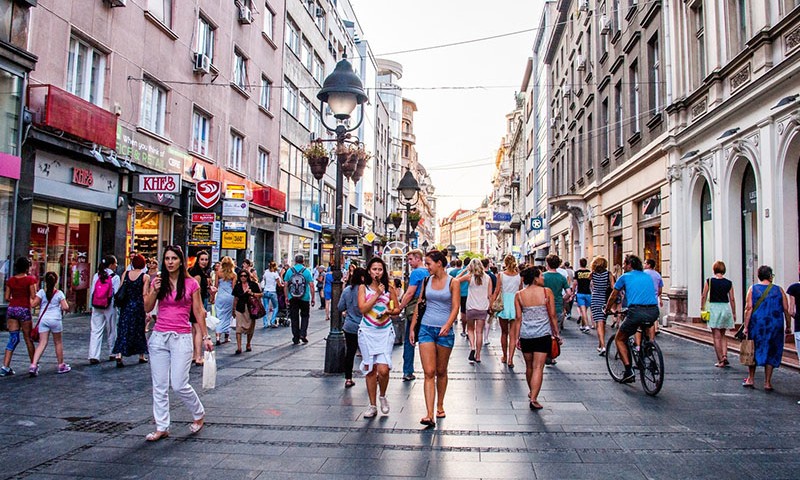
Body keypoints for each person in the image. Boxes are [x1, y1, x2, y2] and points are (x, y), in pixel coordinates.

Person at [143, 246, 213, 441]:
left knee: (179, 384)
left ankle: (198, 413)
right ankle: (162, 426)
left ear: (181, 261)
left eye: (174, 258)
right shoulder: (158, 281)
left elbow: (199, 311)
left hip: (181, 338)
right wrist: (155, 291)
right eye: (167, 258)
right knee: (159, 385)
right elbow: (147, 307)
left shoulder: (191, 284)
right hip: (159, 337)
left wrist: (206, 337)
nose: (170, 262)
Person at [409, 250, 459, 428]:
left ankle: (440, 405)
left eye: (429, 263)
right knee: (429, 372)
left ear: (439, 263)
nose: (427, 266)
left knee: (441, 371)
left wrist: (448, 324)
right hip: (426, 329)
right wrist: (413, 327)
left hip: (444, 331)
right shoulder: (426, 281)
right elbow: (420, 304)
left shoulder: (453, 282)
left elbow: (455, 307)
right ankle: (429, 414)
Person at [604, 255, 660, 384]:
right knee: (644, 326)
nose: (623, 266)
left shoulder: (624, 277)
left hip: (636, 311)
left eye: (624, 264)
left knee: (620, 338)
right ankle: (647, 349)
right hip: (653, 311)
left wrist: (607, 309)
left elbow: (613, 295)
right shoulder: (647, 276)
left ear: (629, 265)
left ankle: (628, 371)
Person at [357, 257, 400, 418]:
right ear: (369, 271)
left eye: (380, 269)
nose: (377, 272)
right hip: (367, 331)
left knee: (383, 369)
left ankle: (382, 395)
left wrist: (388, 312)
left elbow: (396, 309)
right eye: (374, 269)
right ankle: (372, 405)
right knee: (370, 369)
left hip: (384, 331)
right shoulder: (364, 288)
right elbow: (363, 308)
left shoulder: (389, 288)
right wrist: (377, 295)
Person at [516, 267, 559, 410]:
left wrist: (516, 337)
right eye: (541, 275)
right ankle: (534, 397)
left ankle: (531, 391)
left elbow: (518, 318)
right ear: (535, 277)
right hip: (542, 334)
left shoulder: (519, 295)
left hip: (526, 335)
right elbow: (552, 315)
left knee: (529, 367)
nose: (543, 278)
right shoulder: (547, 292)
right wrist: (556, 333)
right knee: (538, 367)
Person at [742, 265, 791, 391]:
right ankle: (767, 382)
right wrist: (788, 325)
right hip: (775, 325)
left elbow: (749, 308)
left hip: (757, 324)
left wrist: (746, 326)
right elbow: (786, 309)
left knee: (753, 349)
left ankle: (751, 378)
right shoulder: (779, 290)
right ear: (770, 276)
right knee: (772, 350)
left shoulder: (752, 289)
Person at [29, 272, 71, 376]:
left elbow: (33, 304)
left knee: (42, 343)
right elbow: (65, 307)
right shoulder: (59, 293)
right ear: (56, 281)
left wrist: (29, 297)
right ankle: (61, 365)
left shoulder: (42, 292)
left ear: (45, 281)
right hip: (55, 319)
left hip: (44, 320)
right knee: (58, 342)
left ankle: (33, 365)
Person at [1, 257, 37, 376]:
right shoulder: (30, 280)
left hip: (12, 309)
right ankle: (33, 365)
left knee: (13, 338)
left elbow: (6, 297)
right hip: (24, 309)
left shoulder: (11, 280)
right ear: (27, 267)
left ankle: (5, 366)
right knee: (28, 338)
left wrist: (14, 300)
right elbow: (33, 296)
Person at [397, 249, 429, 381]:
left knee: (409, 341)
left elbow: (410, 293)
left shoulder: (416, 273)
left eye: (410, 259)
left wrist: (399, 307)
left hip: (413, 309)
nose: (409, 262)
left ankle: (408, 371)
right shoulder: (428, 271)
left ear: (418, 258)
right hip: (427, 309)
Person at [112, 254, 149, 367]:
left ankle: (119, 354)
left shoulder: (126, 274)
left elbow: (121, 288)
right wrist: (147, 310)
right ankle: (141, 355)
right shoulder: (145, 277)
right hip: (138, 306)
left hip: (126, 305)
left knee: (123, 329)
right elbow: (144, 294)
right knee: (139, 330)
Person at [700, 261, 736, 368]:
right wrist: (734, 312)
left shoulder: (709, 281)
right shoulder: (729, 283)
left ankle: (720, 360)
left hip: (714, 308)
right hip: (725, 308)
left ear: (714, 269)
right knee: (723, 334)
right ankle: (725, 356)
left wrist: (702, 307)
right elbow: (732, 299)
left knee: (716, 336)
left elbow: (704, 295)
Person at [457, 259, 491, 364]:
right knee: (479, 332)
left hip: (471, 307)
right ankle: (478, 355)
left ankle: (472, 347)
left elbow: (455, 280)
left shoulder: (469, 276)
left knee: (470, 330)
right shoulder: (488, 278)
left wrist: (464, 271)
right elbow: (490, 295)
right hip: (482, 307)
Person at [88, 255, 120, 365]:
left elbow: (93, 291)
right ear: (111, 264)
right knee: (111, 329)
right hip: (109, 305)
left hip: (97, 305)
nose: (116, 265)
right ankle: (112, 352)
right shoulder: (115, 277)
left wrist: (92, 304)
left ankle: (93, 355)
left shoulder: (97, 275)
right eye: (115, 263)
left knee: (96, 329)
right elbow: (115, 294)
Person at [492, 255, 522, 367]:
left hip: (504, 304)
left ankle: (504, 356)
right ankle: (511, 359)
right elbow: (520, 291)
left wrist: (492, 304)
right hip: (515, 304)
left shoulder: (501, 275)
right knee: (513, 335)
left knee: (504, 333)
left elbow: (497, 290)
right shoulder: (519, 276)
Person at [339, 267, 366, 388]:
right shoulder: (366, 290)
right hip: (365, 325)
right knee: (367, 353)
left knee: (350, 352)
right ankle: (371, 375)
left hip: (350, 326)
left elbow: (340, 307)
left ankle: (348, 378)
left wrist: (347, 310)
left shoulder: (347, 290)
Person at [188, 250, 214, 366]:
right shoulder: (198, 274)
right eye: (202, 259)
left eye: (206, 259)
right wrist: (199, 306)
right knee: (198, 329)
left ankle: (194, 354)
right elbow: (195, 291)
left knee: (194, 329)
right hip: (196, 304)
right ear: (197, 260)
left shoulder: (197, 271)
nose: (204, 262)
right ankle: (198, 356)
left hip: (194, 303)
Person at [284, 254, 315, 345]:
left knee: (294, 317)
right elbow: (312, 285)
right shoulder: (306, 271)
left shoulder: (290, 271)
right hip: (304, 297)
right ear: (303, 261)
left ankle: (296, 337)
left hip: (292, 297)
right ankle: (303, 334)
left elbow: (285, 285)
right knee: (305, 316)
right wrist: (313, 298)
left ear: (295, 260)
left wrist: (286, 296)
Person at [232, 269, 262, 354]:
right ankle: (239, 347)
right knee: (239, 327)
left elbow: (260, 294)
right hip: (240, 308)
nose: (243, 277)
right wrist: (233, 309)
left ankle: (248, 343)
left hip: (251, 308)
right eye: (241, 276)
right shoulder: (237, 286)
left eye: (245, 276)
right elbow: (235, 298)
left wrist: (252, 293)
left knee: (250, 327)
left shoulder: (253, 285)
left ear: (248, 276)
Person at [590, 256, 615, 355]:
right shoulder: (608, 274)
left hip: (595, 299)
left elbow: (591, 285)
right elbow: (613, 287)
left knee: (599, 323)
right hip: (605, 299)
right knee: (602, 322)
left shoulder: (592, 274)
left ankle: (603, 346)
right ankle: (601, 345)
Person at [543, 255, 571, 337]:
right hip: (558, 307)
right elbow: (569, 293)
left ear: (547, 264)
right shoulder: (562, 277)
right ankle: (555, 347)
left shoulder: (542, 276)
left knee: (545, 333)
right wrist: (563, 299)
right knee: (556, 332)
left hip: (545, 307)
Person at [213, 256, 236, 345]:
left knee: (219, 316)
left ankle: (218, 336)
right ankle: (227, 336)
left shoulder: (218, 273)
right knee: (228, 316)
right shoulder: (233, 275)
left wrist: (212, 297)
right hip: (230, 297)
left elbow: (216, 286)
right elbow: (233, 288)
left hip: (220, 296)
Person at [573, 258, 592, 333]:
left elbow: (575, 283)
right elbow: (591, 283)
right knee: (585, 310)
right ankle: (582, 325)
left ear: (580, 263)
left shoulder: (577, 272)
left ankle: (586, 325)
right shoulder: (589, 272)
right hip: (588, 293)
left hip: (580, 293)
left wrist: (572, 291)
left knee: (583, 311)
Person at [261, 261, 282, 328]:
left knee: (265, 308)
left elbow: (264, 279)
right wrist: (283, 285)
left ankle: (265, 323)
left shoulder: (266, 272)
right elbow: (279, 284)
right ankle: (272, 321)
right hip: (272, 291)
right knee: (276, 307)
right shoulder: (275, 274)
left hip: (265, 291)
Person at [482, 259, 498, 346]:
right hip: (489, 299)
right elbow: (495, 289)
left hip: (479, 300)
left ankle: (479, 337)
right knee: (488, 320)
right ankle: (486, 338)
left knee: (480, 320)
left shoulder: (478, 275)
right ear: (488, 265)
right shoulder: (492, 276)